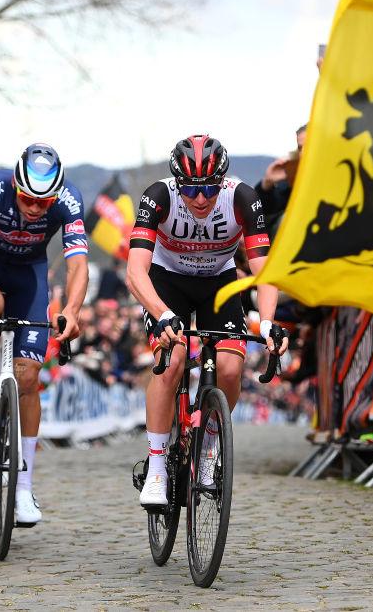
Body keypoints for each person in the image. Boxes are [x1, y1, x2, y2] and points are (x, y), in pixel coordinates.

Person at [126, 134, 288, 507]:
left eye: (210, 189)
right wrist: (161, 313)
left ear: (223, 182)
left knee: (230, 370)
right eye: (192, 189)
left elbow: (265, 272)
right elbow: (136, 271)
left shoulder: (243, 198)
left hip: (220, 282)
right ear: (178, 183)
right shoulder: (159, 195)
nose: (200, 199)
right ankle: (156, 466)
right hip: (168, 282)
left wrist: (266, 322)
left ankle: (210, 442)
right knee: (172, 363)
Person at [0, 143, 88, 526]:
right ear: (15, 183)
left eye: (45, 203)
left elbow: (77, 265)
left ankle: (23, 488)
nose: (37, 209)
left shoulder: (70, 200)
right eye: (28, 199)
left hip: (30, 275)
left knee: (28, 377)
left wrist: (72, 310)